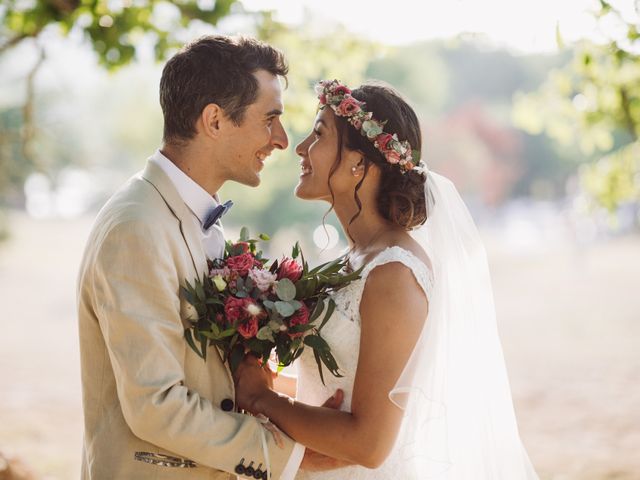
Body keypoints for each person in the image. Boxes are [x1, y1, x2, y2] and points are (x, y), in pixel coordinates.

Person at [233, 80, 539, 479]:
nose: (301, 147)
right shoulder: (353, 260)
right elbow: (334, 387)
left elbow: (370, 444)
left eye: (320, 134)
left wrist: (261, 399)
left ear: (360, 164)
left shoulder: (394, 272)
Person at [77, 35, 309, 479]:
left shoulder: (196, 216)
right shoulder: (136, 228)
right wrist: (287, 456)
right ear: (215, 121)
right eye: (271, 119)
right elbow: (155, 405)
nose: (281, 140)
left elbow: (208, 376)